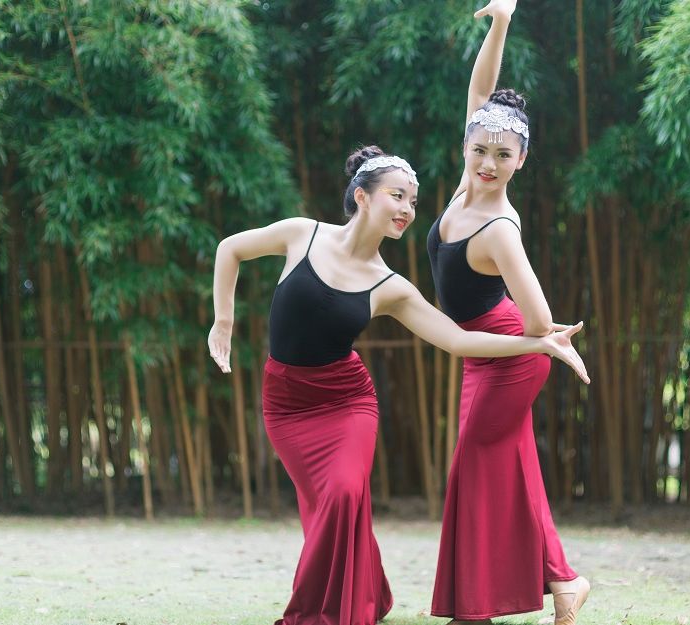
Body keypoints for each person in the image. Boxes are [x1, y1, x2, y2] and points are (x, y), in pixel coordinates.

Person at [209, 145, 589, 625]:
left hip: (347, 401)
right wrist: (223, 322)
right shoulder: (302, 235)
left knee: (344, 493)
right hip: (285, 404)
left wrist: (537, 345)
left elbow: (457, 340)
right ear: (362, 197)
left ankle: (320, 611)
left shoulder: (390, 286)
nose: (408, 209)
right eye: (397, 196)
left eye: (412, 201)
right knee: (324, 505)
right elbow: (231, 249)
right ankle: (367, 591)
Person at [426, 2, 592, 625]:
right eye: (481, 149)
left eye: (503, 155)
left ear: (521, 161)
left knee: (474, 459)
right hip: (485, 351)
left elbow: (538, 319)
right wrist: (501, 23)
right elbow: (479, 90)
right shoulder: (462, 187)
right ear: (466, 146)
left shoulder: (499, 227)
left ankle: (476, 607)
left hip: (512, 354)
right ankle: (562, 580)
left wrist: (541, 347)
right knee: (513, 462)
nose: (489, 162)